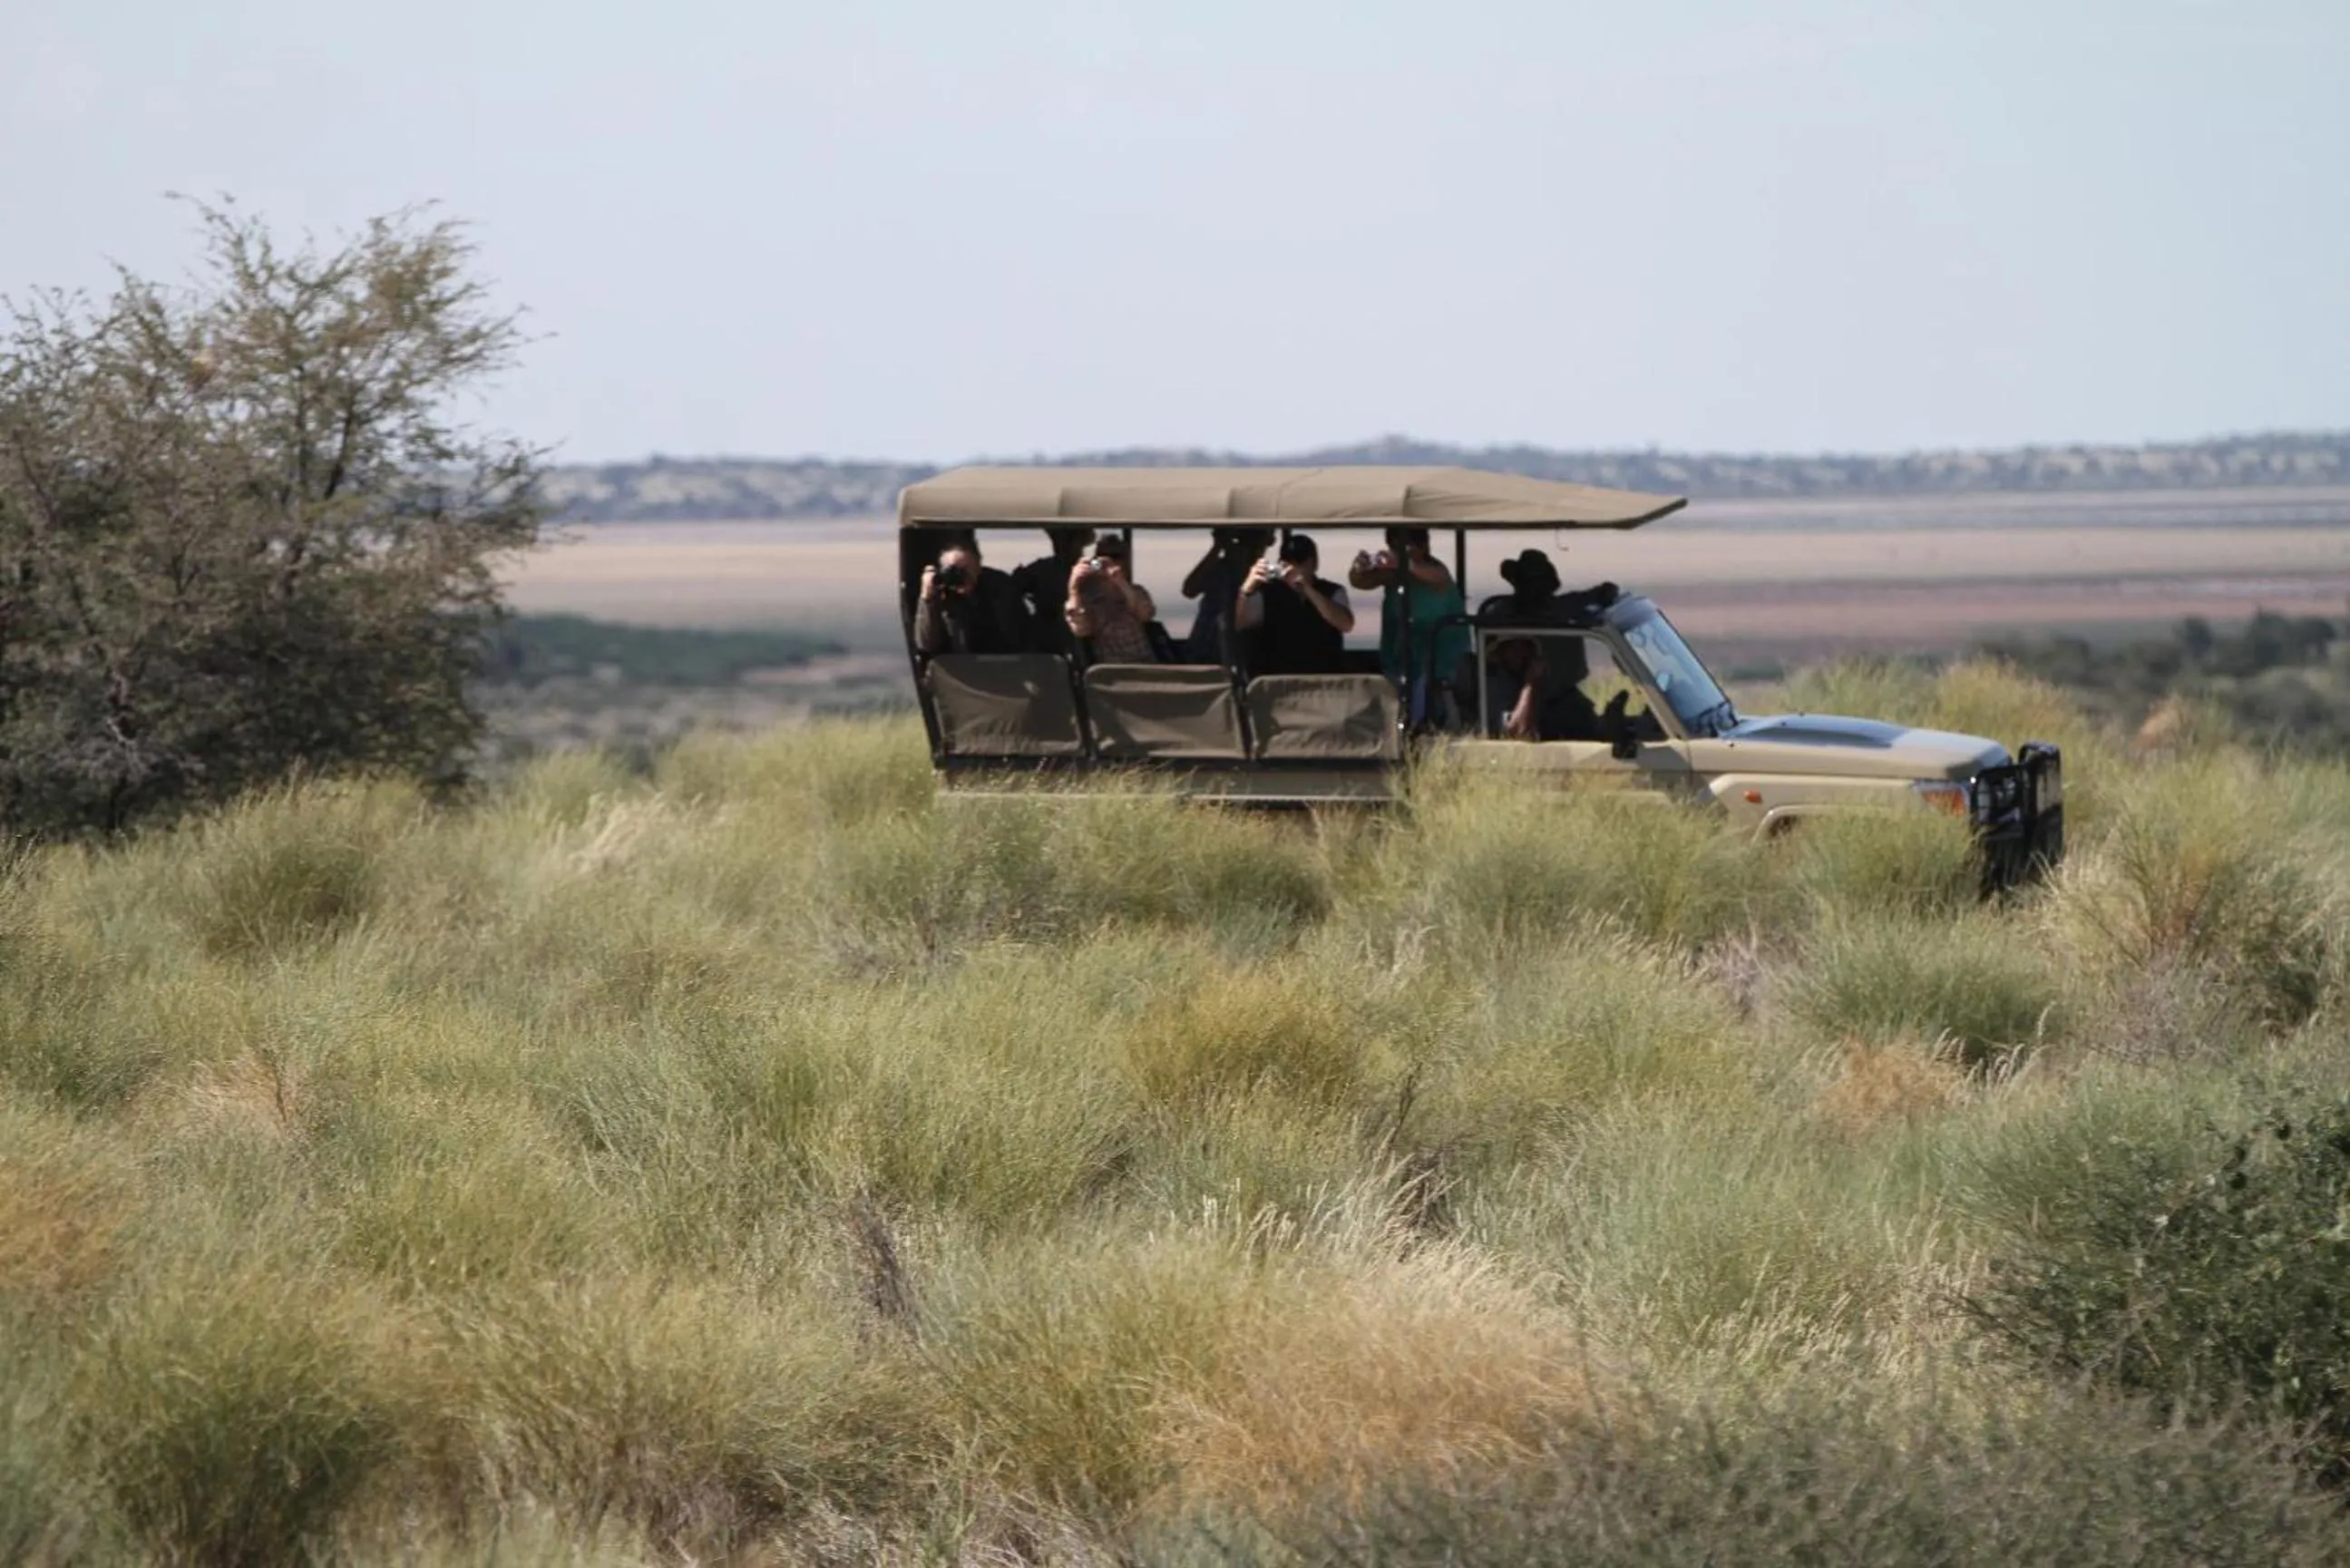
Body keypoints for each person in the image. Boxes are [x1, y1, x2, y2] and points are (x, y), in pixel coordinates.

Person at [1350, 526, 1468, 726]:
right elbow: (1361, 582)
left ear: (1421, 547)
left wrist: (1405, 564)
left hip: (1437, 658)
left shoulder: (1435, 571)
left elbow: (1438, 577)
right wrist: (1359, 569)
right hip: (1399, 653)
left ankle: (1417, 726)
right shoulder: (1394, 574)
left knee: (1422, 695)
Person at [1236, 532, 1354, 675]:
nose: (1294, 567)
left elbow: (1346, 624)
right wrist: (1245, 591)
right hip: (1278, 682)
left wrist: (1307, 589)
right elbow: (1239, 623)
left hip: (1323, 680)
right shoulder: (1267, 594)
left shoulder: (1332, 591)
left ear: (1314, 563)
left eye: (1300, 562)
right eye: (1288, 563)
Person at [913, 537, 1028, 656]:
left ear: (978, 566)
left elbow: (1021, 635)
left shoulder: (999, 585)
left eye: (966, 569)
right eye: (954, 570)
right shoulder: (940, 593)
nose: (961, 576)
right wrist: (927, 599)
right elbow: (926, 645)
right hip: (957, 667)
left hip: (1002, 662)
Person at [1179, 527, 1273, 662]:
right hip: (1206, 649)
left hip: (1242, 653)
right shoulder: (1219, 570)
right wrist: (1218, 547)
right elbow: (1189, 590)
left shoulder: (1264, 579)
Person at [1064, 535, 1160, 663]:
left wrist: (1120, 582)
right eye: (1101, 557)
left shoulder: (1136, 592)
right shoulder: (1087, 599)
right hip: (1111, 672)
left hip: (1144, 665)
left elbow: (1145, 614)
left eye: (1115, 556)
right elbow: (1080, 629)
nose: (1106, 561)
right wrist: (1074, 586)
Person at [1010, 526, 1096, 654]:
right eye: (1057, 538)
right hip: (1047, 642)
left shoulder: (1091, 568)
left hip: (1088, 636)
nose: (1061, 544)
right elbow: (1011, 589)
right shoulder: (1041, 569)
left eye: (1069, 539)